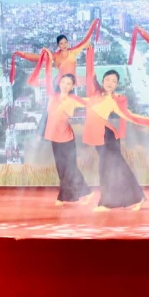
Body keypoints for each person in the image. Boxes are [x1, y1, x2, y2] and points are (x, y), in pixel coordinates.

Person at [82, 70, 149, 212]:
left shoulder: (113, 101)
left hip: (107, 138)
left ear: (117, 85)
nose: (110, 83)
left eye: (114, 81)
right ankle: (137, 198)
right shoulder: (94, 96)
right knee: (117, 169)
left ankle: (107, 203)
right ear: (103, 80)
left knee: (108, 170)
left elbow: (131, 116)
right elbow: (90, 78)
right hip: (99, 137)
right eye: (108, 79)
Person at [43, 73, 92, 206]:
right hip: (54, 137)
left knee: (70, 167)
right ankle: (80, 193)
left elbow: (88, 101)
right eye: (63, 82)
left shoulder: (72, 100)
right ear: (59, 83)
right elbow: (49, 117)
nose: (65, 85)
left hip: (66, 138)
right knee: (61, 168)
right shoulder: (52, 98)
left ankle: (64, 196)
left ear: (72, 87)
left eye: (68, 84)